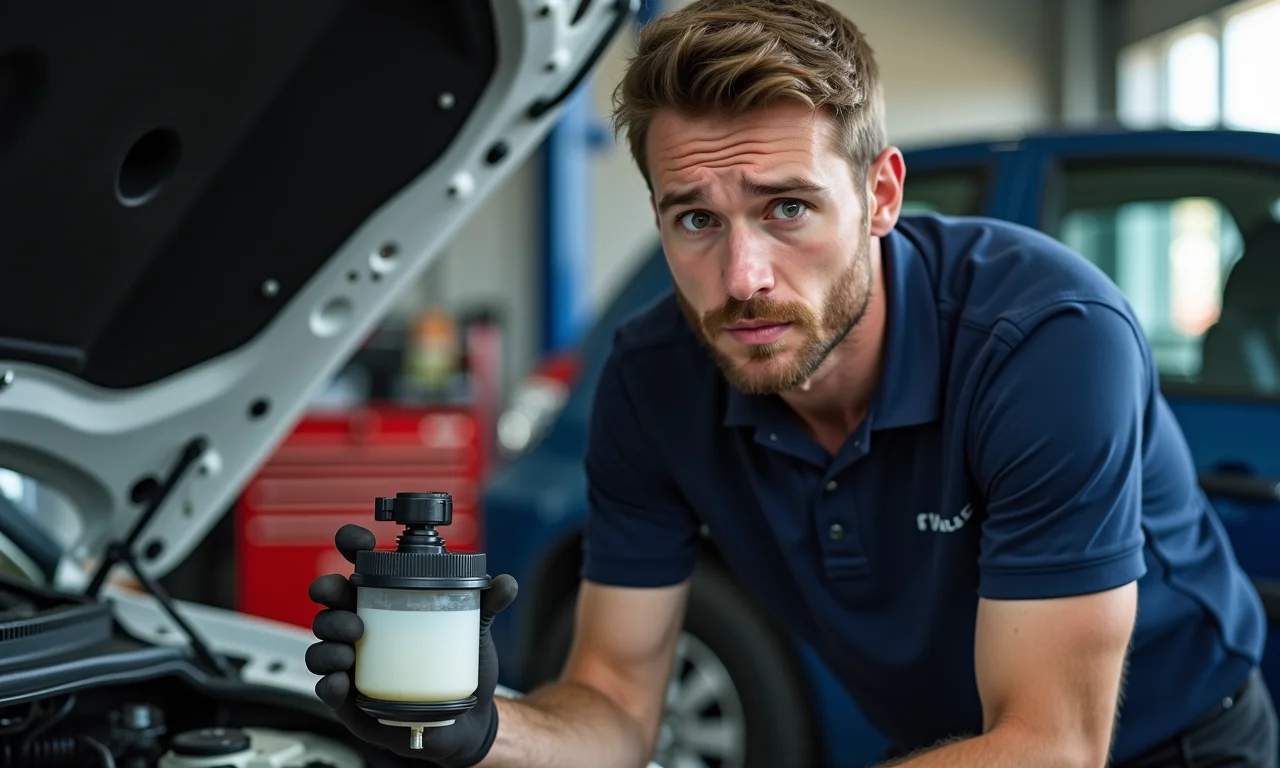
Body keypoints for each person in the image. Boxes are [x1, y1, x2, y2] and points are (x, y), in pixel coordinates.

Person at [305, 0, 1279, 765]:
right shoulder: (652, 382)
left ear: (880, 196)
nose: (741, 280)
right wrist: (479, 728)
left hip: (1165, 744)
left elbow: (1046, 745)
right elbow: (611, 706)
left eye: (786, 209)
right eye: (695, 220)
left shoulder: (1044, 341)